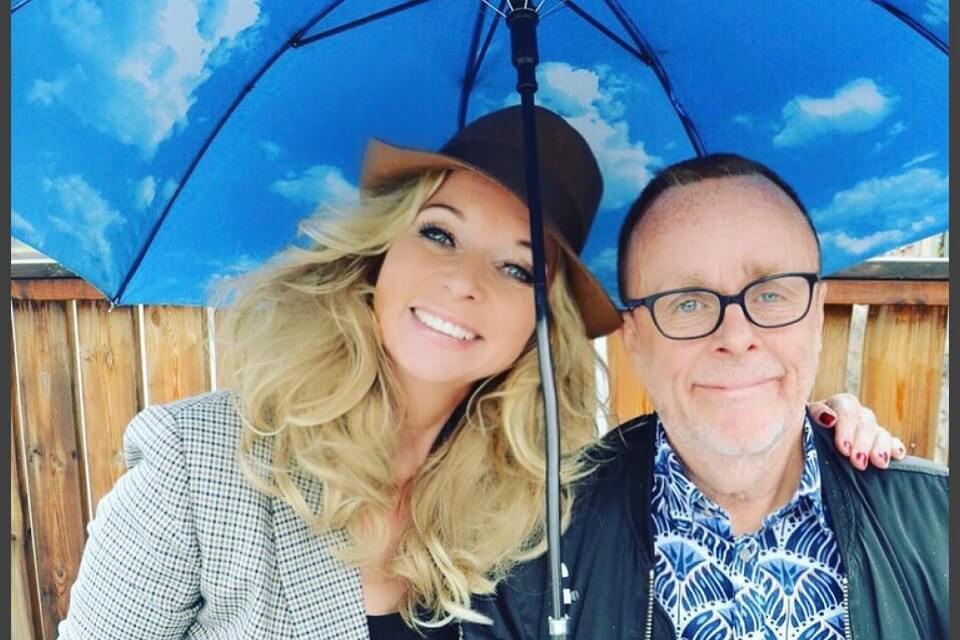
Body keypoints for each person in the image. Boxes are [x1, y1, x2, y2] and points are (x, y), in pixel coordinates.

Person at [59, 110, 899, 640]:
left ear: (543, 323)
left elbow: (711, 449)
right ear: (378, 253)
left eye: (517, 268)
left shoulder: (532, 504)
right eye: (439, 234)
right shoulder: (200, 464)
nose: (463, 283)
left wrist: (810, 427)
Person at [470, 153, 947, 639]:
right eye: (688, 303)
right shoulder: (527, 563)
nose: (735, 337)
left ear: (817, 315)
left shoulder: (941, 526)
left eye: (770, 293)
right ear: (634, 340)